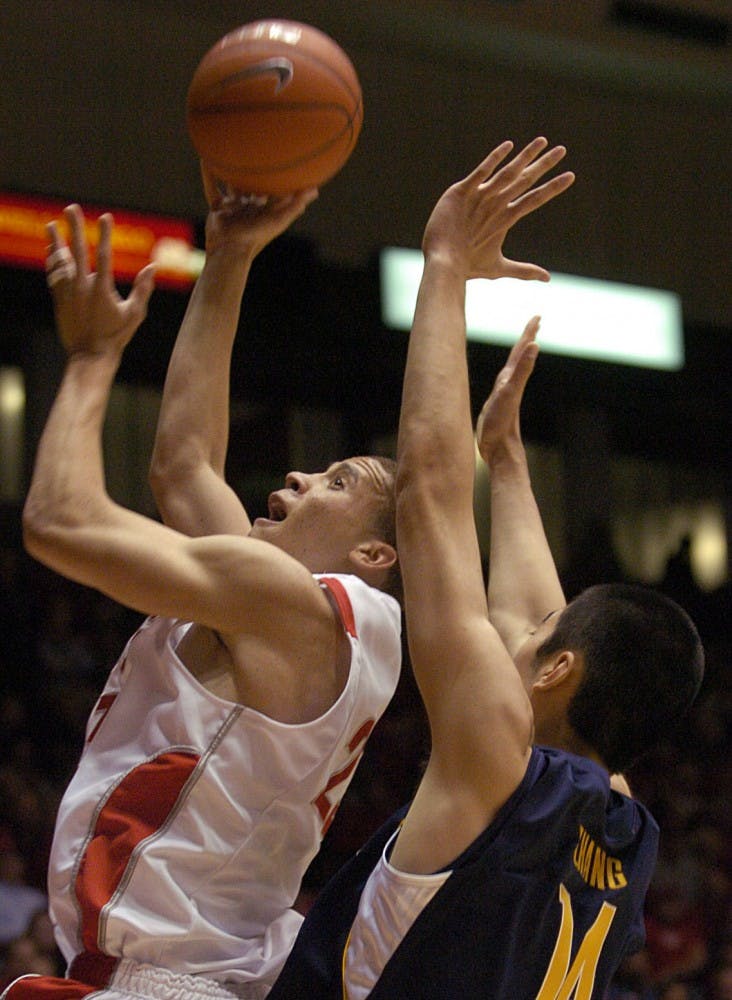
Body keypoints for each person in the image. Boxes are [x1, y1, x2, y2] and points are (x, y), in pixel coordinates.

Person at [268, 137, 705, 998]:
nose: (516, 625)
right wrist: (505, 459)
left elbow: (429, 496)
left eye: (536, 636)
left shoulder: (494, 771)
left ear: (559, 669)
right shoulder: (624, 831)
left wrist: (445, 269)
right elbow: (541, 623)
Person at [7, 184, 403, 1000]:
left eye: (338, 480)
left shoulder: (286, 605)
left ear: (375, 550)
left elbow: (58, 520)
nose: (299, 473)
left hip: (165, 982)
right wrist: (228, 254)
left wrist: (89, 361)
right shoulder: (287, 614)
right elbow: (183, 463)